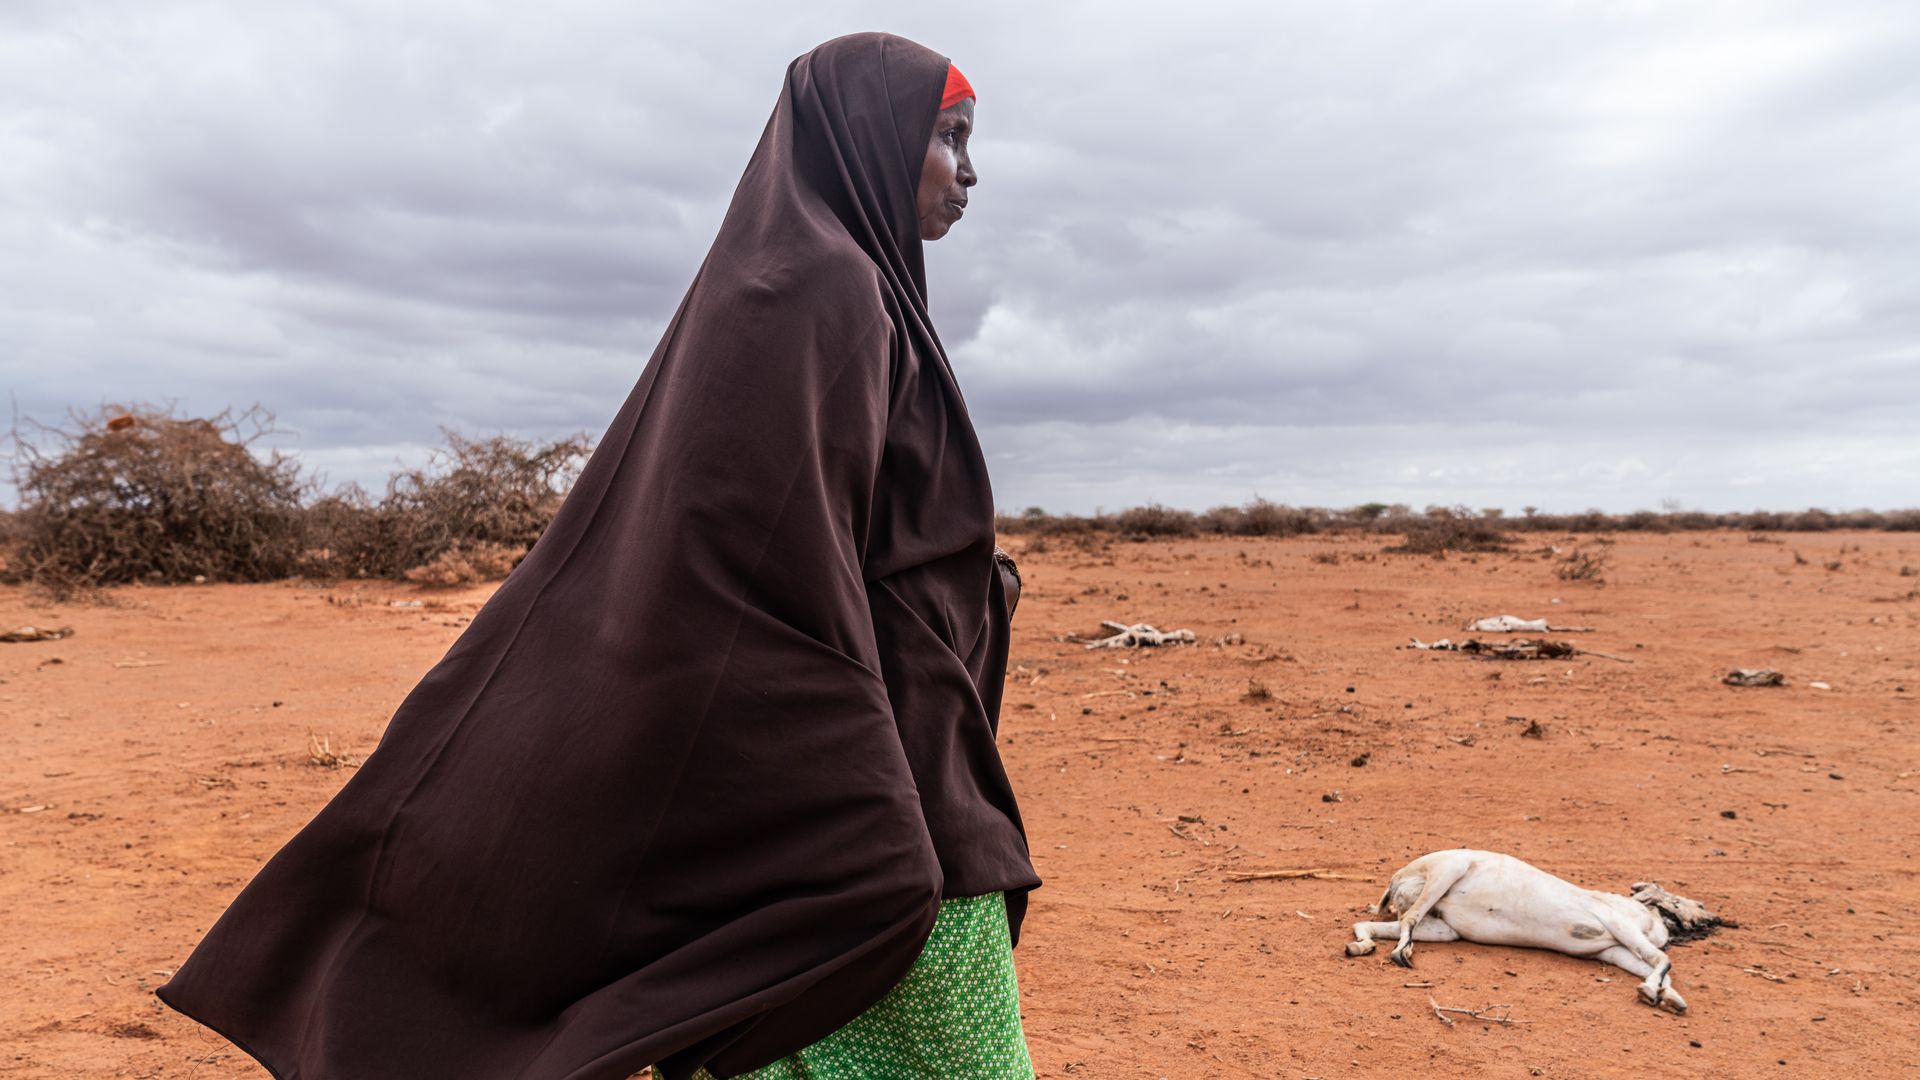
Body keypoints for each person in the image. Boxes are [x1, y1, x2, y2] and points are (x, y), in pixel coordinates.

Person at [156, 31, 1041, 1080]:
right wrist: (862, 796)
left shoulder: (847, 289)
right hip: (867, 784)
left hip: (893, 759)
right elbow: (766, 561)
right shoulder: (819, 290)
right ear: (873, 136)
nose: (971, 170)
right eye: (948, 136)